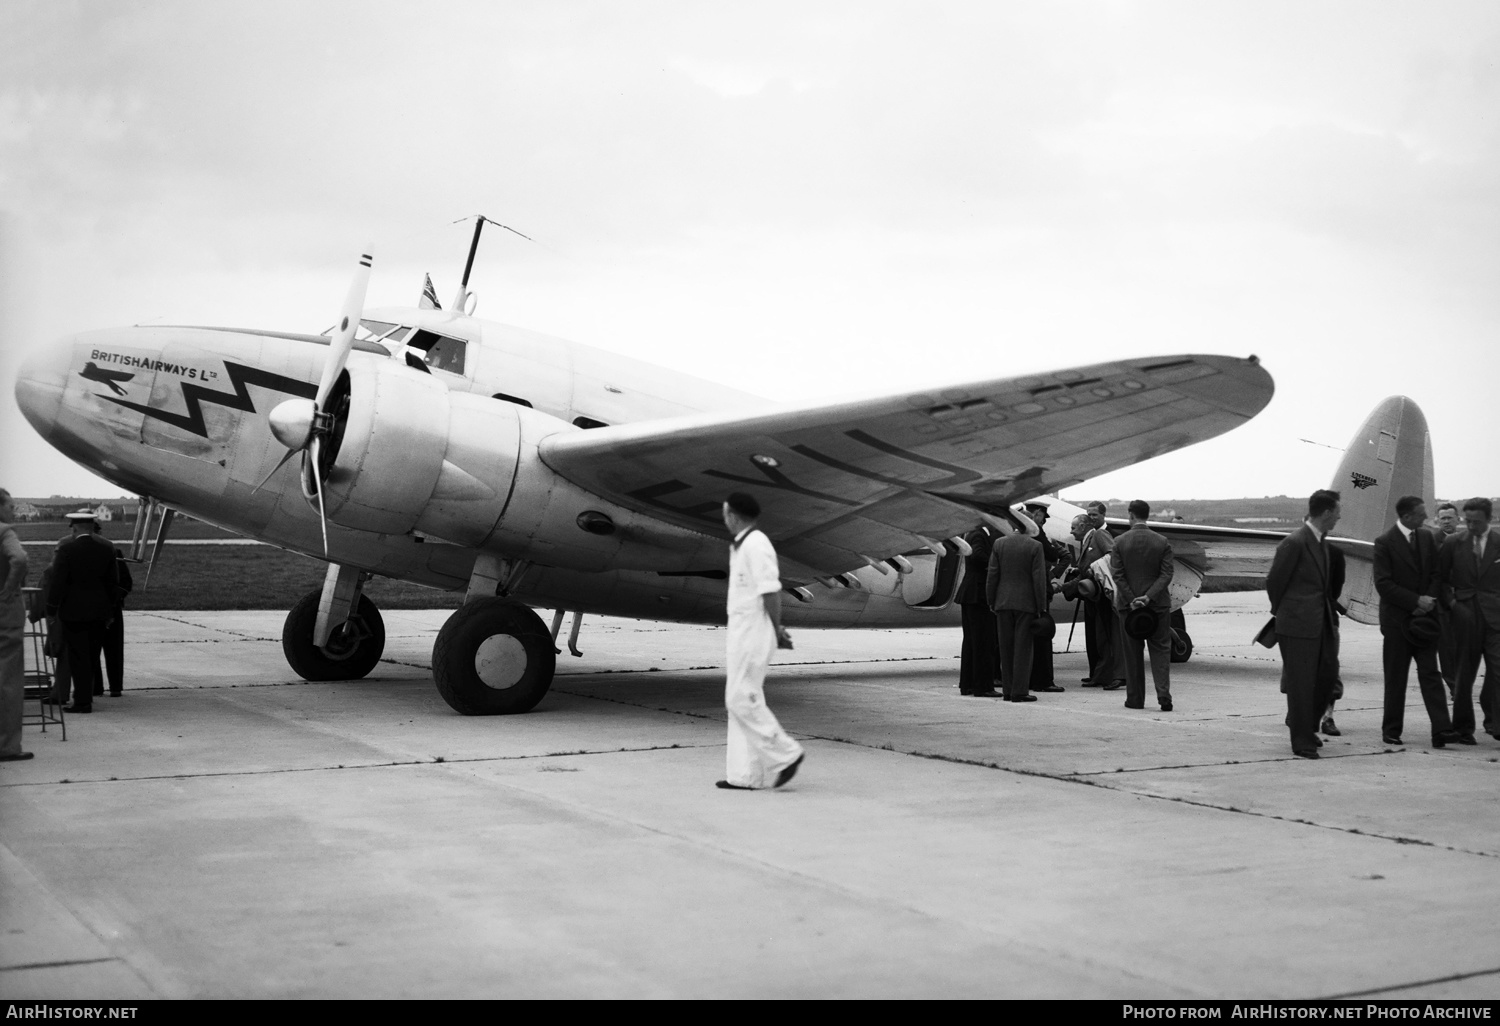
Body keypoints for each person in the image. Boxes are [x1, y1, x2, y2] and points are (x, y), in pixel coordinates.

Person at [716, 492, 805, 790]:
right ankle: (744, 776)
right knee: (740, 699)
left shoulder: (756, 544)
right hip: (742, 631)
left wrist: (777, 630)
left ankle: (787, 754)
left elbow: (770, 591)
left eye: (725, 512)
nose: (723, 517)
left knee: (739, 698)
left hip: (754, 632)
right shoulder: (740, 544)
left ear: (733, 514)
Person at [1373, 496, 1459, 748]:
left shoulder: (1426, 538)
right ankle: (1391, 730)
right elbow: (1383, 584)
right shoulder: (1384, 543)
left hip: (1425, 620)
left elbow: (1436, 573)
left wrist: (1429, 600)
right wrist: (1415, 601)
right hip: (1397, 622)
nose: (1426, 517)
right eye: (1421, 513)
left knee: (1431, 674)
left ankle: (1442, 730)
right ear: (1407, 516)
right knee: (1396, 677)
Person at [1266, 490, 1343, 759]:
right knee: (1300, 684)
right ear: (1326, 513)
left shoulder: (1321, 542)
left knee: (1328, 676)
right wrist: (1287, 612)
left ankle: (1308, 727)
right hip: (1297, 626)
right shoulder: (1295, 542)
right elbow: (1274, 582)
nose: (1339, 516)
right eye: (1337, 511)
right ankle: (1302, 741)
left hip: (1320, 623)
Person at [1438, 497, 1500, 744]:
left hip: (1496, 619)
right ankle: (1463, 728)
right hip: (1464, 617)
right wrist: (1452, 605)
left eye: (1476, 521)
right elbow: (1440, 579)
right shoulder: (1454, 543)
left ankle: (1496, 723)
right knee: (1464, 676)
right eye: (1468, 521)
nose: (1471, 526)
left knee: (1498, 671)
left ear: (1489, 518)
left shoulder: (1499, 542)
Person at [45, 510, 118, 714]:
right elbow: (113, 584)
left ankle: (82, 701)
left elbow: (58, 583)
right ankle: (85, 698)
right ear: (92, 527)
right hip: (99, 613)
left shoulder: (67, 550)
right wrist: (111, 611)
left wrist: (51, 609)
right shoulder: (107, 550)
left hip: (73, 613)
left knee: (78, 657)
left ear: (75, 528)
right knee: (92, 657)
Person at [1110, 500, 1175, 711]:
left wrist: (1133, 599)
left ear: (1130, 515)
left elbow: (1117, 575)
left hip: (1129, 609)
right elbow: (1167, 574)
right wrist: (1149, 597)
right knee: (1160, 650)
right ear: (1147, 515)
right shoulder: (1162, 541)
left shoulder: (1119, 542)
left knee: (1132, 654)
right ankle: (1163, 694)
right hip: (1157, 606)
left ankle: (1135, 700)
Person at [985, 524, 1047, 703]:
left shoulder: (999, 543)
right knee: (1023, 649)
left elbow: (993, 575)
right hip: (1026, 603)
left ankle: (1007, 689)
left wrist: (991, 600)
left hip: (1003, 602)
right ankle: (1019, 691)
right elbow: (1038, 579)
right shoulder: (1035, 546)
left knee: (1005, 648)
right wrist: (1040, 605)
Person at [0, 489, 33, 762]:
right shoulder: (4, 531)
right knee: (8, 682)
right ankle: (8, 746)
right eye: (10, 506)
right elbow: (19, 559)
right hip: (4, 618)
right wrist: (9, 590)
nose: (14, 512)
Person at [1074, 507, 1122, 690]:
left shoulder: (1101, 534)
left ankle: (1109, 675)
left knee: (1105, 637)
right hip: (1093, 595)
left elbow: (1112, 556)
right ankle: (1099, 674)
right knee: (1097, 637)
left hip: (1102, 593)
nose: (1092, 517)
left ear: (1103, 515)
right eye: (1089, 514)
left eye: (1095, 514)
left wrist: (1094, 567)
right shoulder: (1090, 537)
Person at [955, 524, 1002, 698]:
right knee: (984, 642)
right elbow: (977, 555)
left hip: (972, 593)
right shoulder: (978, 535)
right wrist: (998, 562)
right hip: (978, 594)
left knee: (972, 642)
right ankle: (982, 687)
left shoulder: (977, 533)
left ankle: (968, 684)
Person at [1026, 509, 1065, 693]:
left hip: (1020, 600)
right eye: (1040, 519)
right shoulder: (1037, 540)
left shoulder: (1004, 542)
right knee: (1042, 637)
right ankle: (1043, 680)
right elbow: (1051, 556)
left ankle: (1025, 679)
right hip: (1037, 597)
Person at [1431, 502, 1462, 693]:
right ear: (1437, 520)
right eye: (1443, 518)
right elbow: (1435, 576)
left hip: (1468, 600)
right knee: (1447, 646)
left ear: (1458, 519)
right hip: (1444, 603)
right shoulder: (1431, 542)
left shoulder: (1468, 540)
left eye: (1450, 517)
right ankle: (1454, 685)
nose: (1446, 521)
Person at [99, 525, 133, 697]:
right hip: (95, 609)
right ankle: (95, 687)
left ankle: (115, 687)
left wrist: (114, 599)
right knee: (92, 651)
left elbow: (126, 582)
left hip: (112, 608)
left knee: (114, 651)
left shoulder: (114, 552)